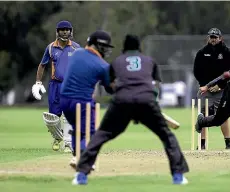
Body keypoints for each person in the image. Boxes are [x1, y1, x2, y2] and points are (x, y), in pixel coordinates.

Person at [72, 34, 189, 185]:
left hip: (122, 101)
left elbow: (112, 86)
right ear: (139, 47)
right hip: (146, 100)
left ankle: (81, 175)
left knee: (101, 134)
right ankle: (178, 176)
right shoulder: (149, 61)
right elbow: (156, 87)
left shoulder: (116, 62)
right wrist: (151, 103)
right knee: (167, 136)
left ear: (124, 48)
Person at [59, 30, 114, 168]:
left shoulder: (77, 53)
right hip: (82, 101)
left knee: (77, 129)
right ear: (97, 45)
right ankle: (83, 158)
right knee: (89, 133)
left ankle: (76, 157)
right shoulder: (103, 65)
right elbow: (110, 88)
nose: (106, 50)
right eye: (105, 47)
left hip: (64, 101)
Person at [31, 20, 80, 153]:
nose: (65, 31)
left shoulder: (76, 48)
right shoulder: (51, 47)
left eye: (67, 29)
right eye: (62, 29)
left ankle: (69, 142)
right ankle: (57, 138)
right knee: (53, 116)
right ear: (57, 32)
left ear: (71, 31)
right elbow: (42, 65)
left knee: (69, 114)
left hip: (71, 85)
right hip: (55, 85)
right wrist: (38, 82)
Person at [193, 28, 230, 150]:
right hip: (205, 90)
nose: (213, 39)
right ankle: (202, 145)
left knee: (224, 116)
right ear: (208, 38)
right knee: (203, 116)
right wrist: (204, 85)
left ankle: (228, 144)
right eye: (211, 37)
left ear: (220, 38)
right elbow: (197, 71)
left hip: (223, 90)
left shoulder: (228, 53)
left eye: (215, 37)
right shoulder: (201, 53)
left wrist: (220, 86)